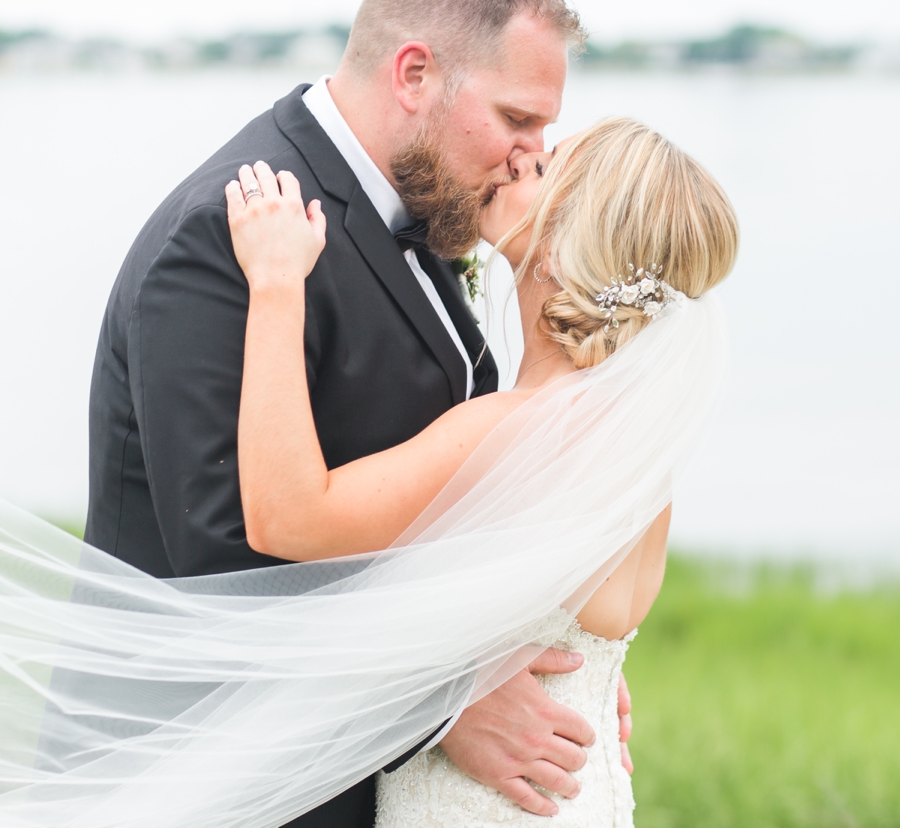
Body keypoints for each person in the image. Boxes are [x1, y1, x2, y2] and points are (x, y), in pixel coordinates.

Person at [85, 0, 602, 824]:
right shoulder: (229, 232)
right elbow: (225, 560)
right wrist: (443, 708)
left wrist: (538, 661)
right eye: (518, 119)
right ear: (414, 74)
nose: (532, 158)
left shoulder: (422, 201)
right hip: (210, 784)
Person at [221, 115, 739, 826]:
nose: (520, 158)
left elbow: (288, 515)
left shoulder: (517, 431)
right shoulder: (638, 457)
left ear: (565, 247)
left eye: (546, 167)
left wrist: (276, 285)